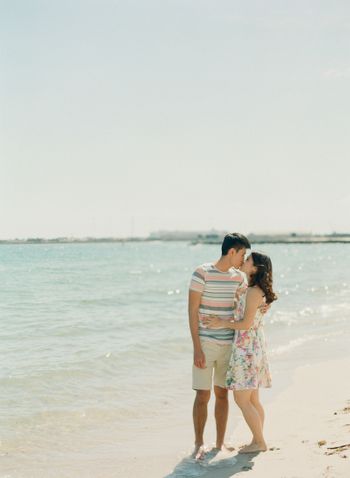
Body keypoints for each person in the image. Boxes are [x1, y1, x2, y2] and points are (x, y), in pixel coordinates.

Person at [202, 252, 277, 454]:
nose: (244, 261)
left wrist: (221, 323)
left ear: (256, 268)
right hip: (252, 347)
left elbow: (244, 324)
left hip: (247, 350)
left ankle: (260, 442)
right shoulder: (251, 289)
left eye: (248, 260)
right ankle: (257, 439)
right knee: (252, 400)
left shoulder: (254, 292)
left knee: (242, 400)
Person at [188, 233, 251, 458]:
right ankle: (198, 443)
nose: (244, 259)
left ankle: (220, 443)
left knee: (222, 394)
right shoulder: (202, 273)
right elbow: (192, 311)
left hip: (229, 345)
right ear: (232, 251)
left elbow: (247, 303)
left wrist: (264, 307)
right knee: (202, 395)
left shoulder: (239, 278)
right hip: (205, 343)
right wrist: (196, 347)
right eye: (242, 254)